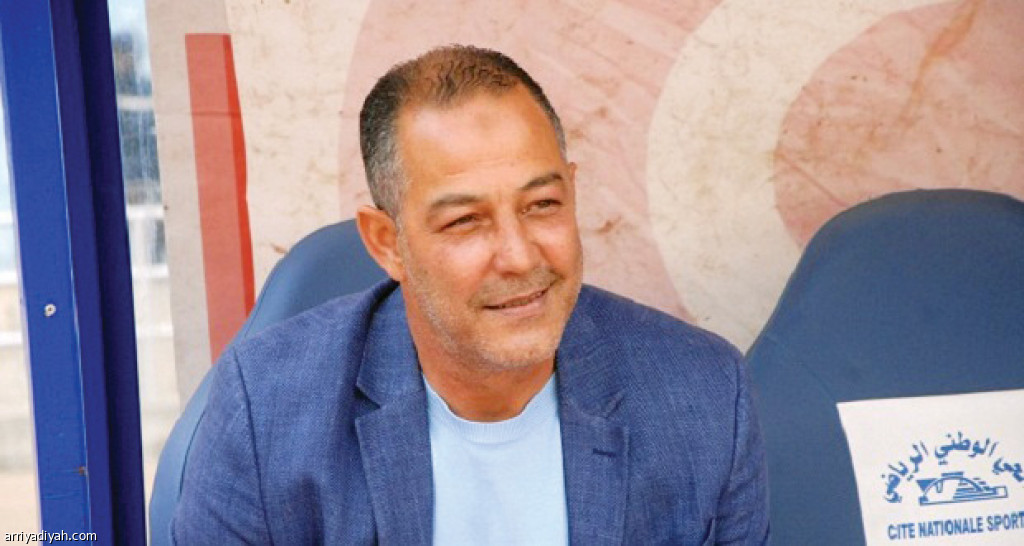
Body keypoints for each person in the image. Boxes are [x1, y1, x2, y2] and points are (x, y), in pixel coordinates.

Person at [173, 45, 769, 545]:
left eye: (542, 205)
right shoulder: (268, 409)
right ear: (387, 243)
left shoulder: (703, 396)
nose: (520, 257)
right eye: (465, 221)